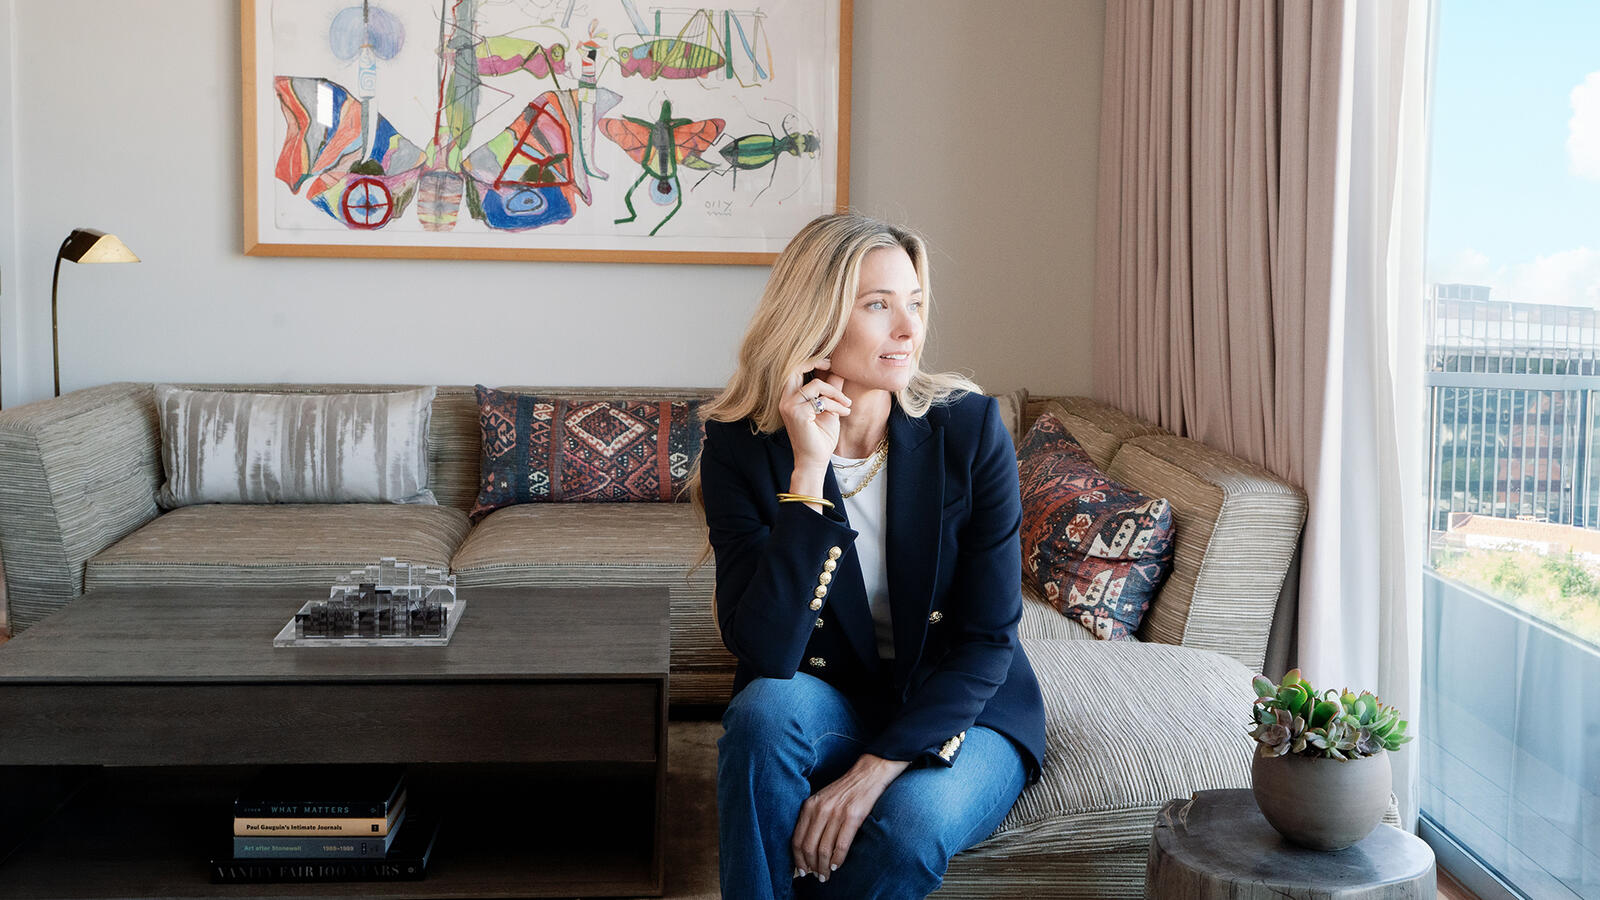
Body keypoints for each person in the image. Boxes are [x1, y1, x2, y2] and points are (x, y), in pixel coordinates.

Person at [691, 213, 1046, 899]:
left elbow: (987, 638)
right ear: (816, 319)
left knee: (911, 825)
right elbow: (765, 653)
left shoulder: (969, 429)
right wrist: (807, 473)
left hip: (962, 709)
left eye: (914, 303)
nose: (909, 329)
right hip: (834, 698)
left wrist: (874, 770)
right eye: (879, 305)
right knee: (763, 714)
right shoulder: (741, 446)